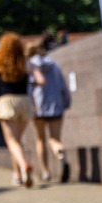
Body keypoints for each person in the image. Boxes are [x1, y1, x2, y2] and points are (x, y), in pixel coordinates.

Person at [0, 32, 37, 188]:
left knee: (12, 141)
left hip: (7, 102)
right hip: (24, 102)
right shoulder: (24, 61)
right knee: (17, 141)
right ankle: (18, 175)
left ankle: (23, 165)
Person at [28, 38, 72, 183]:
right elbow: (63, 86)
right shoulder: (55, 66)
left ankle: (45, 172)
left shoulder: (30, 66)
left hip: (37, 107)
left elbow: (28, 88)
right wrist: (66, 102)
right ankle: (61, 155)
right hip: (56, 105)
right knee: (55, 139)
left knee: (40, 140)